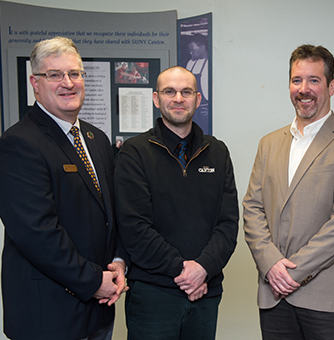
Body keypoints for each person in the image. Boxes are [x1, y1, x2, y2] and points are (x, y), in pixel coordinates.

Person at [0, 37, 127, 340]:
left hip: (99, 309)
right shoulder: (19, 144)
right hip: (49, 315)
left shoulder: (96, 139)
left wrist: (118, 261)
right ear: (35, 83)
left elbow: (111, 211)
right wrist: (93, 281)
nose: (68, 83)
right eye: (55, 75)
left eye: (75, 73)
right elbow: (38, 233)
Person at [243, 44, 334, 340]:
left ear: (331, 86)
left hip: (327, 296)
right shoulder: (269, 143)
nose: (304, 89)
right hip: (273, 292)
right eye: (297, 80)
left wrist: (290, 272)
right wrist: (270, 264)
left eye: (314, 80)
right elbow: (252, 208)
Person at [114, 66, 239, 340]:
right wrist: (185, 272)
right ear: (156, 99)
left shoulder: (217, 152)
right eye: (170, 91)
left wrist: (203, 269)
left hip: (205, 292)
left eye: (186, 92)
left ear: (198, 98)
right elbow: (134, 228)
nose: (178, 98)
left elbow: (228, 224)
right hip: (153, 295)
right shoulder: (135, 153)